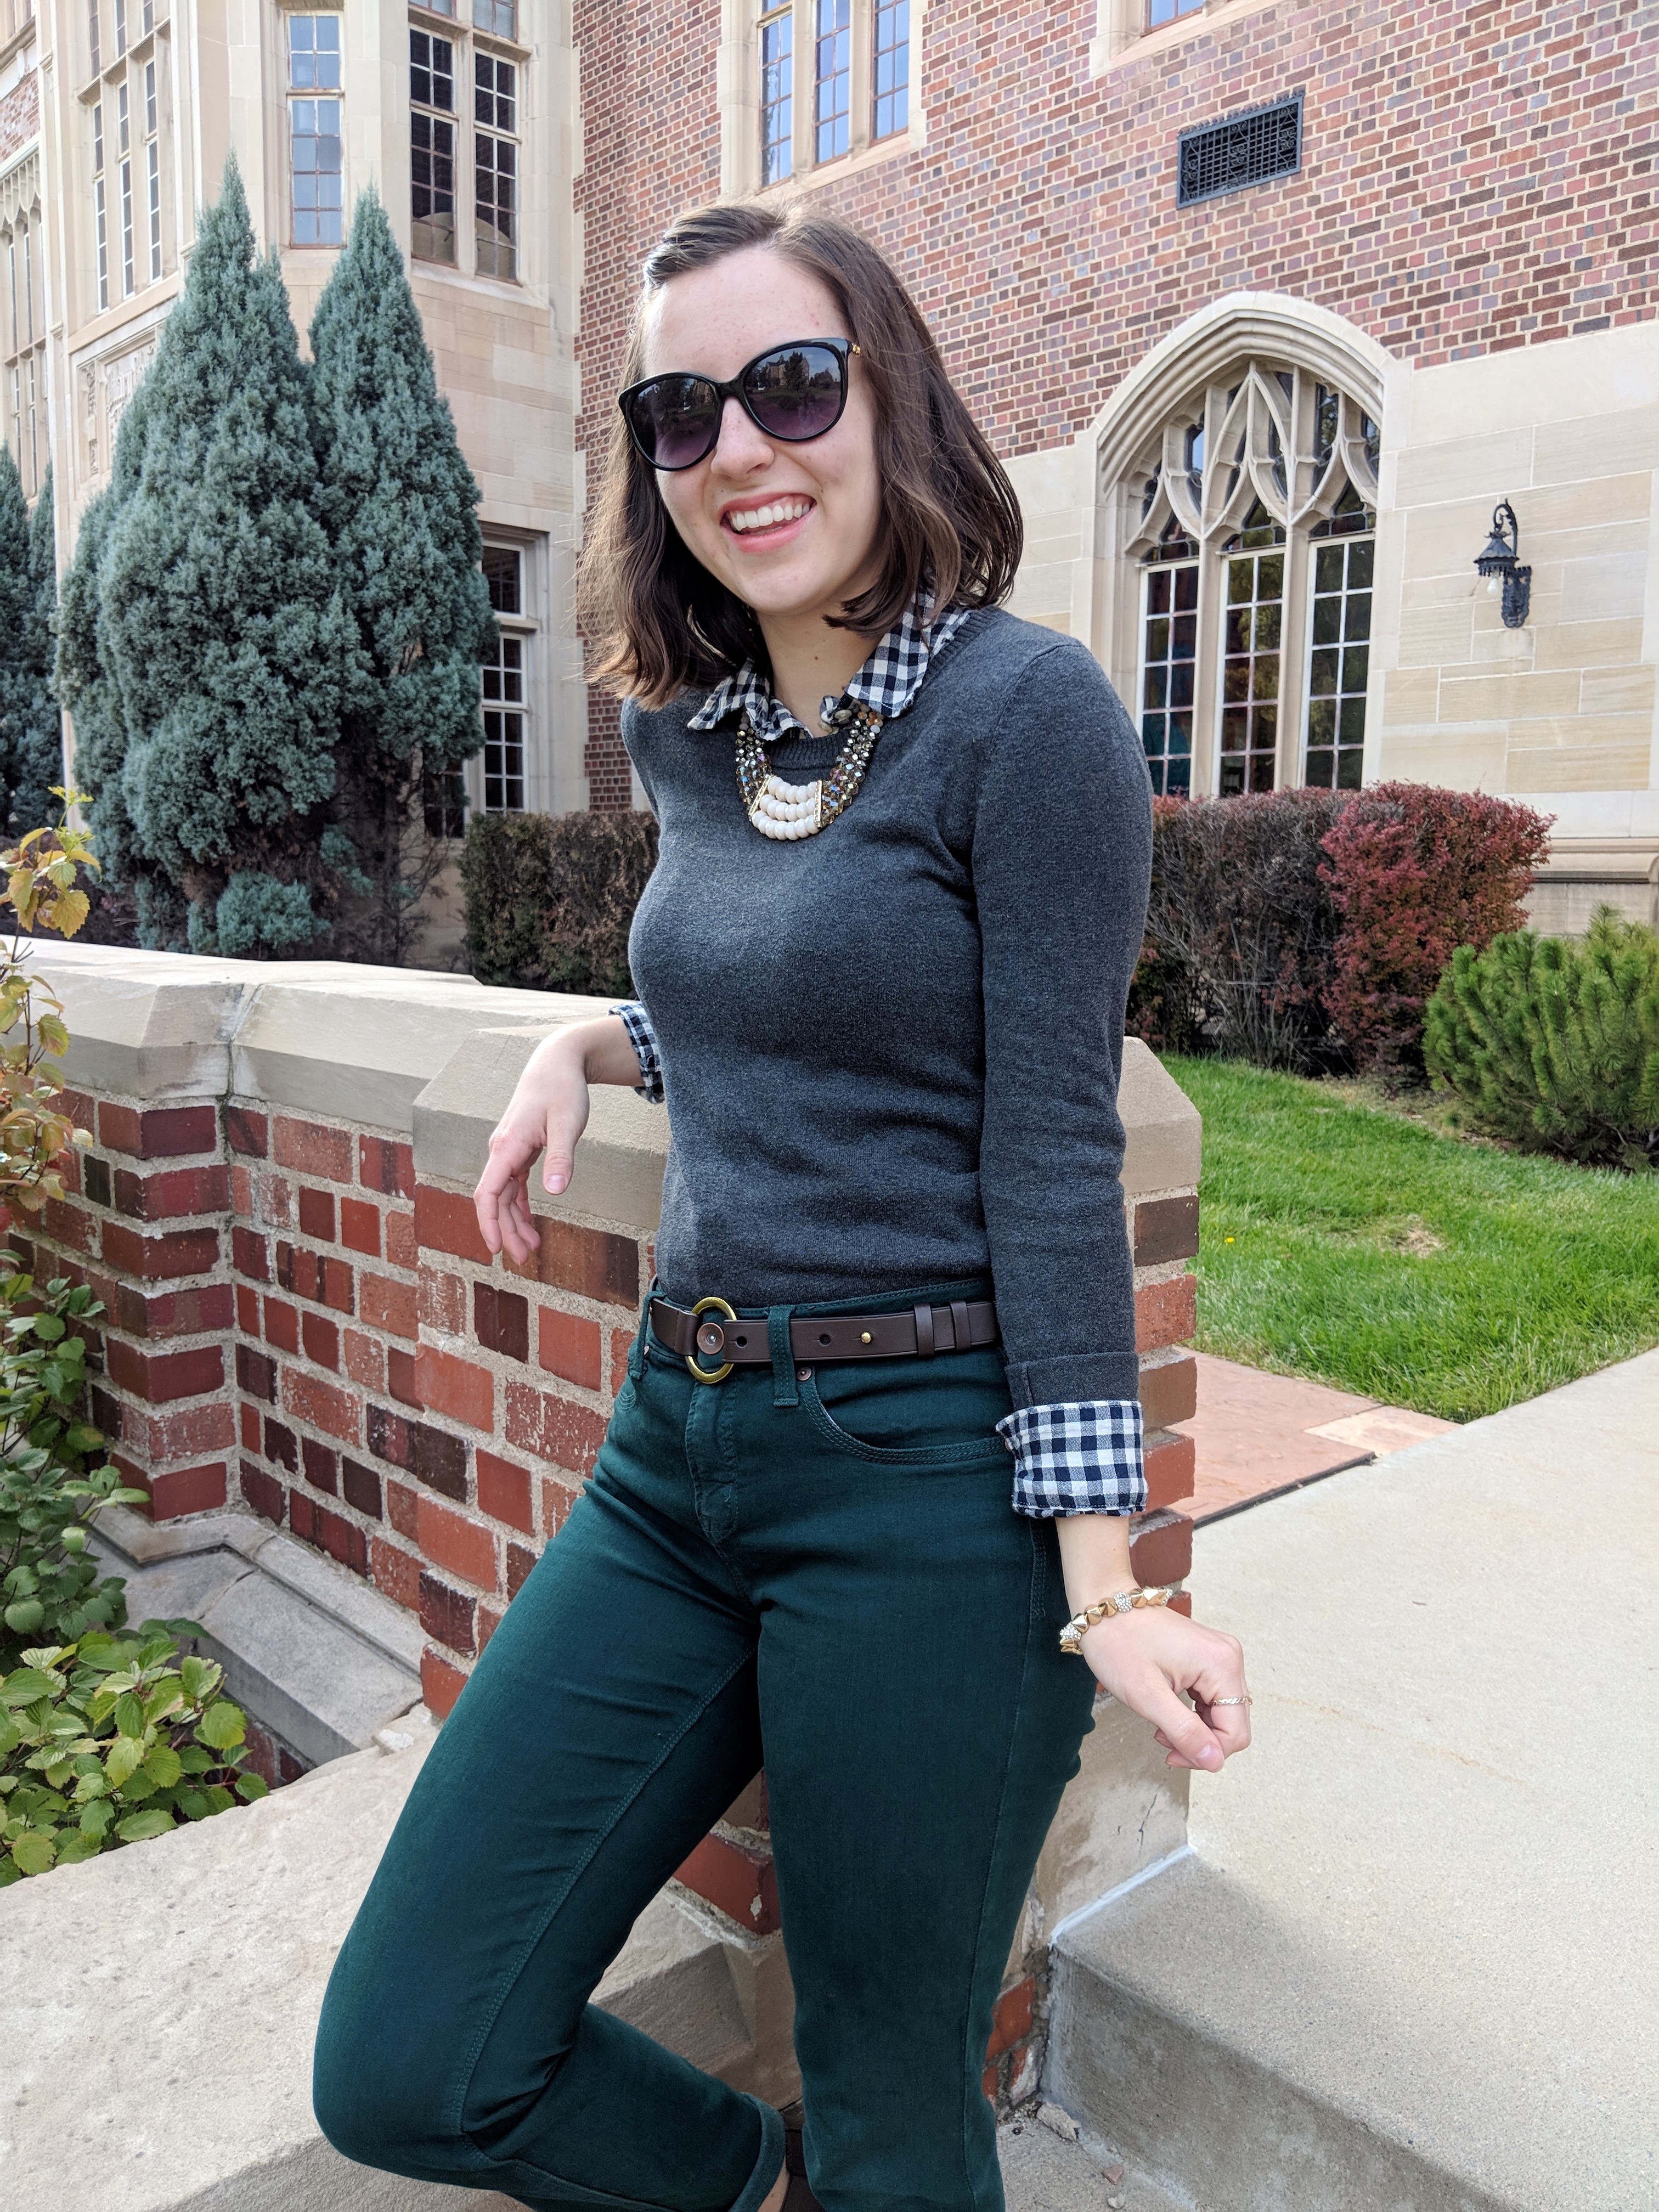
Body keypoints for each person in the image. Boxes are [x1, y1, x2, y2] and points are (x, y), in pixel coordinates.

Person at [313, 199, 1250, 2212]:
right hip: (677, 1454)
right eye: (680, 412)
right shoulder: (689, 729)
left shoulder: (1030, 717)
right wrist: (596, 1042)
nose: (738, 447)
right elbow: (793, 1001)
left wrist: (1107, 1585)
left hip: (926, 1479)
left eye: (792, 386)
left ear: (888, 396)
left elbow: (1046, 1139)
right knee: (413, 2058)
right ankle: (750, 2188)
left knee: (899, 2114)